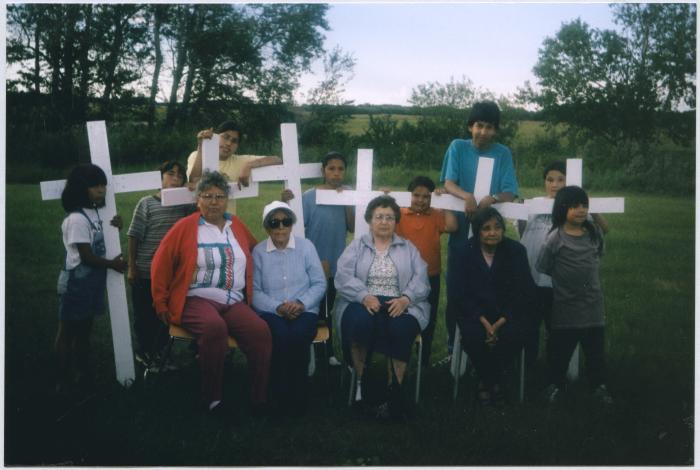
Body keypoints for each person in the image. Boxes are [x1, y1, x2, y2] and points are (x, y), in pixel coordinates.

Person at [151, 170, 272, 418]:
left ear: (226, 200)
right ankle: (213, 399)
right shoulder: (185, 228)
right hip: (196, 298)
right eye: (207, 196)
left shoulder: (235, 225)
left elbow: (256, 251)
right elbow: (160, 264)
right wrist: (160, 302)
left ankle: (259, 397)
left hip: (233, 300)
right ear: (198, 200)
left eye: (219, 196)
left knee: (260, 332)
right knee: (214, 328)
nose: (214, 202)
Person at [335, 195, 430, 420]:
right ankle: (361, 385)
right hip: (362, 300)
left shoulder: (408, 248)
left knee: (401, 328)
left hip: (398, 301)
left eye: (389, 217)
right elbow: (343, 275)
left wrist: (406, 298)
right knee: (360, 323)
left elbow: (421, 278)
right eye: (379, 217)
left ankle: (393, 390)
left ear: (396, 221)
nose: (384, 222)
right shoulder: (357, 246)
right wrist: (364, 295)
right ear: (370, 221)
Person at [440, 100, 520, 354]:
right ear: (470, 127)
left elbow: (510, 191)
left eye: (489, 127)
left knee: (487, 291)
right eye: (479, 126)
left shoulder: (502, 153)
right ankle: (455, 348)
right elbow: (449, 182)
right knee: (457, 291)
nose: (483, 132)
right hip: (462, 233)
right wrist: (467, 196)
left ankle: (487, 344)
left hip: (489, 236)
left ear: (496, 131)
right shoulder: (458, 147)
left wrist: (492, 198)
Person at [518, 162, 608, 367]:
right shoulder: (532, 205)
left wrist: (591, 208)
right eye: (550, 179)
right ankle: (528, 365)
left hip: (559, 284)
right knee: (530, 323)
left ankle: (555, 368)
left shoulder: (575, 210)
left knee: (557, 328)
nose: (555, 184)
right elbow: (521, 230)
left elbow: (603, 229)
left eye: (561, 179)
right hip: (533, 276)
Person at [451, 207, 535, 405]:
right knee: (473, 337)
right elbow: (459, 293)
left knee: (513, 335)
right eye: (486, 228)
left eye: (497, 227)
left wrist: (498, 323)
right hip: (475, 314)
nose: (492, 232)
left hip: (507, 314)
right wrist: (484, 322)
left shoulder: (516, 251)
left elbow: (524, 291)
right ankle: (493, 382)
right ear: (477, 230)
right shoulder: (463, 252)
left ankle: (486, 381)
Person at [536, 186, 613, 405]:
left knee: (595, 353)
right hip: (565, 307)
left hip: (592, 307)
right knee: (559, 352)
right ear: (562, 209)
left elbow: (599, 253)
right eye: (574, 206)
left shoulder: (592, 233)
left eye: (584, 205)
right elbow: (544, 265)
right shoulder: (554, 238)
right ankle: (554, 386)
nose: (581, 210)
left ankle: (599, 387)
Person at [55, 164, 128, 395]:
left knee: (84, 332)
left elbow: (104, 236)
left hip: (91, 285)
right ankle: (62, 379)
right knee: (67, 332)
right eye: (95, 185)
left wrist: (116, 224)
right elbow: (86, 256)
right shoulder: (76, 219)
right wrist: (114, 265)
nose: (101, 189)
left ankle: (83, 375)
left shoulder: (95, 213)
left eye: (103, 184)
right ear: (81, 187)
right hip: (76, 283)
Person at [252, 201, 326, 415]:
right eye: (275, 223)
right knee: (280, 336)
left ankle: (298, 394)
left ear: (292, 225)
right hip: (272, 311)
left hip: (305, 308)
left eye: (286, 222)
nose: (281, 227)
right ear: (267, 227)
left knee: (299, 335)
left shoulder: (306, 247)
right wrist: (278, 307)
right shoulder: (258, 252)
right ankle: (278, 394)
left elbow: (319, 283)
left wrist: (301, 303)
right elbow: (254, 291)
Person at [282, 150, 354, 367]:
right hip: (312, 262)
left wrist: (347, 201)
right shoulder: (310, 196)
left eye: (340, 169)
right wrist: (284, 201)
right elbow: (294, 225)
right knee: (312, 305)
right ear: (323, 171)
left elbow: (351, 226)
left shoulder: (347, 194)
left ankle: (328, 350)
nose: (336, 173)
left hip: (335, 261)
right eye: (331, 168)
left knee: (329, 306)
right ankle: (309, 349)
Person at [126, 161, 195, 369]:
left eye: (180, 176)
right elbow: (134, 235)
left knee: (164, 316)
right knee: (144, 314)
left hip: (170, 274)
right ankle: (144, 353)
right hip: (145, 271)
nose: (175, 178)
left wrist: (194, 189)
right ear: (161, 177)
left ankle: (162, 353)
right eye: (170, 174)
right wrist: (132, 266)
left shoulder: (184, 206)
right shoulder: (146, 203)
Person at [394, 176, 457, 367]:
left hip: (430, 276)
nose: (420, 200)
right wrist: (387, 195)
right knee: (401, 315)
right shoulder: (399, 214)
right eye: (416, 196)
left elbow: (453, 226)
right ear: (408, 196)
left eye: (426, 197)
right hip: (404, 276)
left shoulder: (436, 215)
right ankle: (399, 354)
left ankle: (423, 359)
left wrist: (445, 203)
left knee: (428, 317)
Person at [187, 120, 282, 214]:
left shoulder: (238, 161)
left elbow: (277, 160)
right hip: (202, 220)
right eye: (225, 137)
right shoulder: (197, 155)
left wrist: (249, 166)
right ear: (216, 136)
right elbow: (194, 181)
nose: (228, 143)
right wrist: (201, 146)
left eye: (234, 141)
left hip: (227, 222)